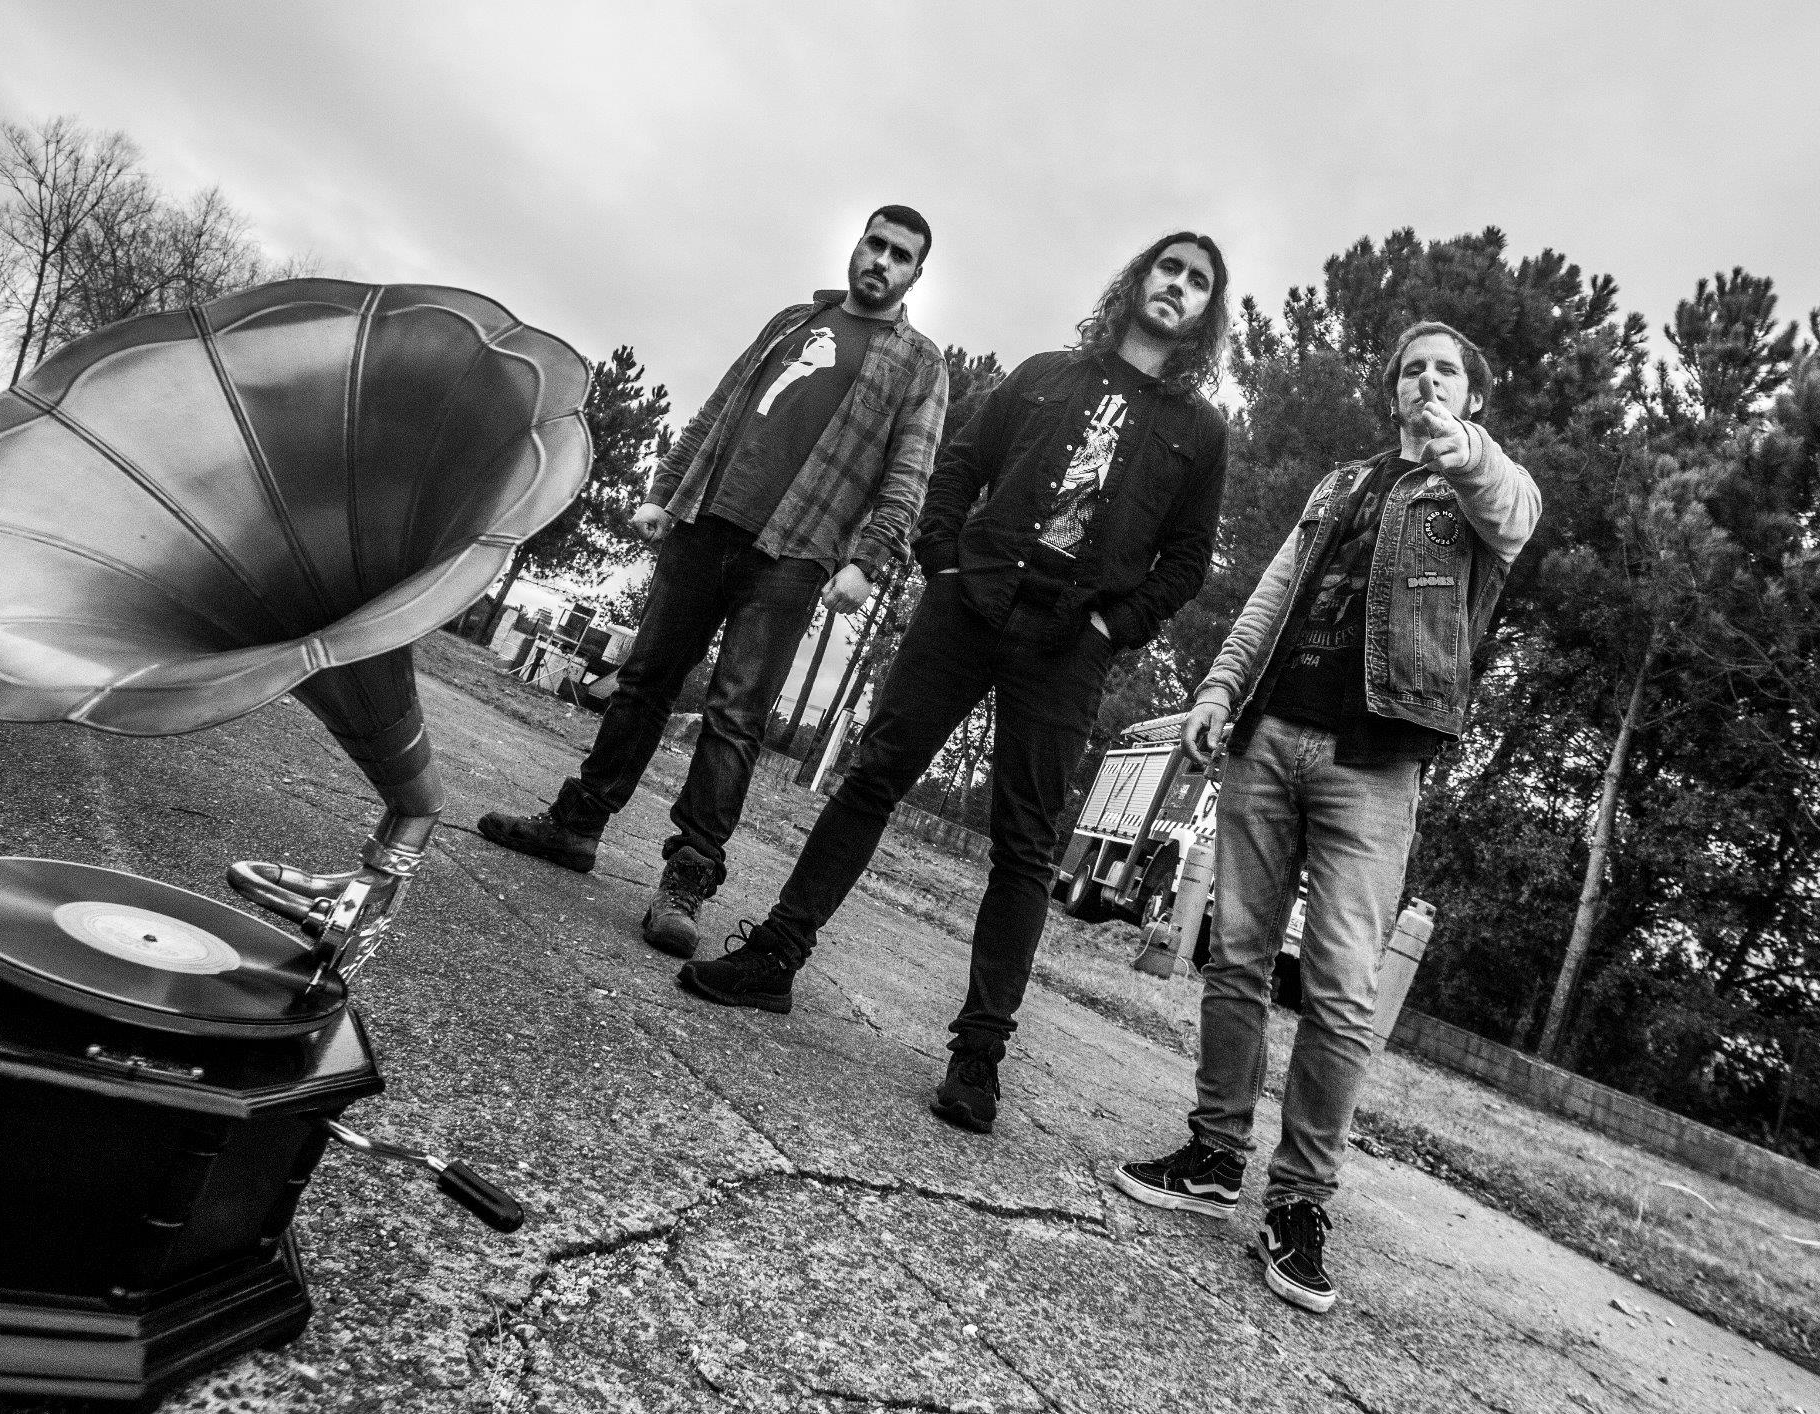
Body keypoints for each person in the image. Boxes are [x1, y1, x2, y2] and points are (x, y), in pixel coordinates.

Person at [676, 232, 1232, 1134]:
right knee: (872, 779)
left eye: (1197, 280)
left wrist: (1110, 627)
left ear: (1207, 309)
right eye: (1168, 267)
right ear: (1137, 280)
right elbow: (961, 465)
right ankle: (775, 956)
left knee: (1025, 847)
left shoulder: (1200, 434)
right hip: (969, 604)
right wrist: (941, 562)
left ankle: (979, 1056)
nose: (1178, 285)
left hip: (1067, 643)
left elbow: (1188, 562)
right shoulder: (1047, 373)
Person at [1113, 321, 1542, 1315]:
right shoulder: (1339, 485)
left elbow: (1511, 507)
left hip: (1375, 762)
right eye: (1410, 369)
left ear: (1472, 396)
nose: (1424, 381)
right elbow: (1271, 597)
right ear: (1390, 391)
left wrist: (1461, 449)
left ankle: (1300, 1200)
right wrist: (1219, 688)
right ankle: (1213, 1155)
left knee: (1342, 991)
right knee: (1235, 957)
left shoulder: (1481, 486)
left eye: (1444, 371)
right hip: (1269, 734)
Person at [478, 207, 949, 959]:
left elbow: (910, 473)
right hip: (706, 520)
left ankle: (686, 883)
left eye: (900, 256)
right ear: (858, 245)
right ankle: (575, 826)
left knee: (734, 716)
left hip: (795, 551)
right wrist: (666, 489)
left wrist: (869, 560)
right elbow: (722, 405)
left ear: (915, 276)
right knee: (643, 682)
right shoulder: (795, 320)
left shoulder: (918, 362)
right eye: (876, 244)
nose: (882, 262)